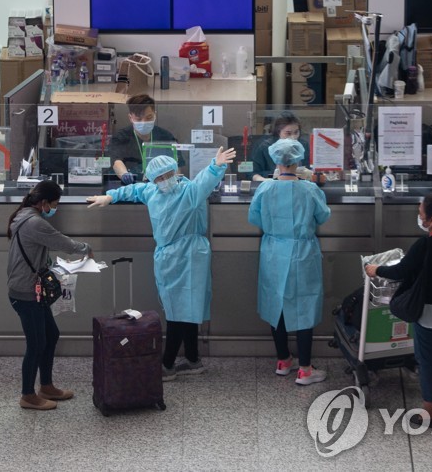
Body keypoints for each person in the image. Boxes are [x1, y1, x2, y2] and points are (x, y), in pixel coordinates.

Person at [88, 147, 236, 381]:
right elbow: (134, 190)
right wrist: (109, 196)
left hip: (190, 256)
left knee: (180, 312)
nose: (164, 181)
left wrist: (216, 165)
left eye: (168, 175)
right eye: (159, 178)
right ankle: (193, 359)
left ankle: (166, 365)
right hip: (169, 258)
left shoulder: (190, 191)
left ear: (176, 171)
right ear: (152, 179)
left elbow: (206, 181)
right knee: (183, 309)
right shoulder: (152, 191)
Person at [365, 194, 432, 423]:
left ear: (431, 220)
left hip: (429, 311)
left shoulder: (425, 244)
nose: (419, 217)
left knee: (427, 359)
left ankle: (428, 411)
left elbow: (400, 271)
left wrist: (376, 270)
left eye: (421, 213)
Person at [248, 138, 331, 386]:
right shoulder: (310, 189)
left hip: (274, 250)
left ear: (275, 161)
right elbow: (323, 216)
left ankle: (283, 360)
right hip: (302, 252)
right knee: (304, 306)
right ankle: (305, 369)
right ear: (299, 161)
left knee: (277, 304)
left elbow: (255, 219)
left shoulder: (265, 189)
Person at [7, 180, 93, 411]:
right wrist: (86, 249)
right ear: (44, 203)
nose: (56, 208)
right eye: (55, 204)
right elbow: (62, 242)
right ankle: (27, 394)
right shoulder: (34, 222)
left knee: (51, 335)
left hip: (31, 288)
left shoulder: (24, 214)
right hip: (25, 292)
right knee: (36, 343)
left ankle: (46, 386)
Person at [110, 93, 180, 183]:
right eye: (139, 119)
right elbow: (116, 161)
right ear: (130, 118)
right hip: (131, 187)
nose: (144, 122)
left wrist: (173, 182)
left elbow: (177, 164)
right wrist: (124, 174)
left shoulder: (165, 137)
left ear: (155, 115)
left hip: (160, 187)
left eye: (149, 117)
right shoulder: (121, 137)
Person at [251, 112, 311, 182]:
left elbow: (307, 169)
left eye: (296, 132)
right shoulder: (264, 146)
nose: (293, 137)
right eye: (288, 133)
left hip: (298, 184)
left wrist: (308, 174)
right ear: (278, 132)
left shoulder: (303, 145)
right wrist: (268, 182)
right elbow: (253, 173)